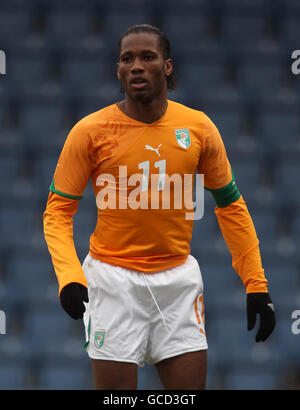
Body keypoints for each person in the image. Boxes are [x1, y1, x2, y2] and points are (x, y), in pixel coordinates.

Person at [43, 24, 276, 390]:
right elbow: (57, 212)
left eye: (147, 57)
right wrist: (70, 277)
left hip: (178, 282)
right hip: (112, 281)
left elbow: (231, 207)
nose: (136, 66)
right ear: (118, 70)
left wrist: (256, 284)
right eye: (126, 59)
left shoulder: (198, 128)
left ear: (167, 66)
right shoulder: (90, 131)